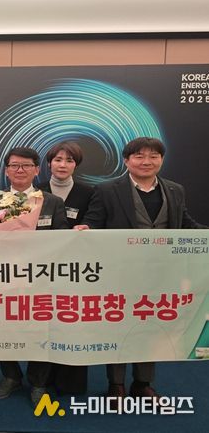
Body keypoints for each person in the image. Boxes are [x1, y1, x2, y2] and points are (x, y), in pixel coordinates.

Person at [75, 136, 206, 403]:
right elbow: (94, 222)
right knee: (118, 327)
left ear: (162, 160)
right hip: (119, 273)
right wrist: (86, 229)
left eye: (153, 156)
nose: (147, 161)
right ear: (126, 160)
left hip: (162, 274)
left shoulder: (175, 190)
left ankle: (143, 384)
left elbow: (185, 224)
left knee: (151, 327)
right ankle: (116, 385)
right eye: (139, 156)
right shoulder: (108, 190)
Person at [0, 147, 69, 407]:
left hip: (41, 279)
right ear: (6, 171)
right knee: (3, 328)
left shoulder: (52, 202)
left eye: (26, 165)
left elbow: (62, 239)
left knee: (41, 329)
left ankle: (38, 382)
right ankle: (11, 376)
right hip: (3, 278)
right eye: (14, 165)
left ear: (37, 170)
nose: (20, 170)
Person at [37, 141, 94, 395]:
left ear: (76, 165)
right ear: (49, 163)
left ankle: (70, 381)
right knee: (43, 322)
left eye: (69, 160)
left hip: (76, 269)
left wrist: (87, 228)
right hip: (40, 269)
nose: (63, 165)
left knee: (72, 321)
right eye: (58, 159)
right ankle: (41, 379)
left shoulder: (89, 192)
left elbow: (95, 221)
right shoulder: (35, 191)